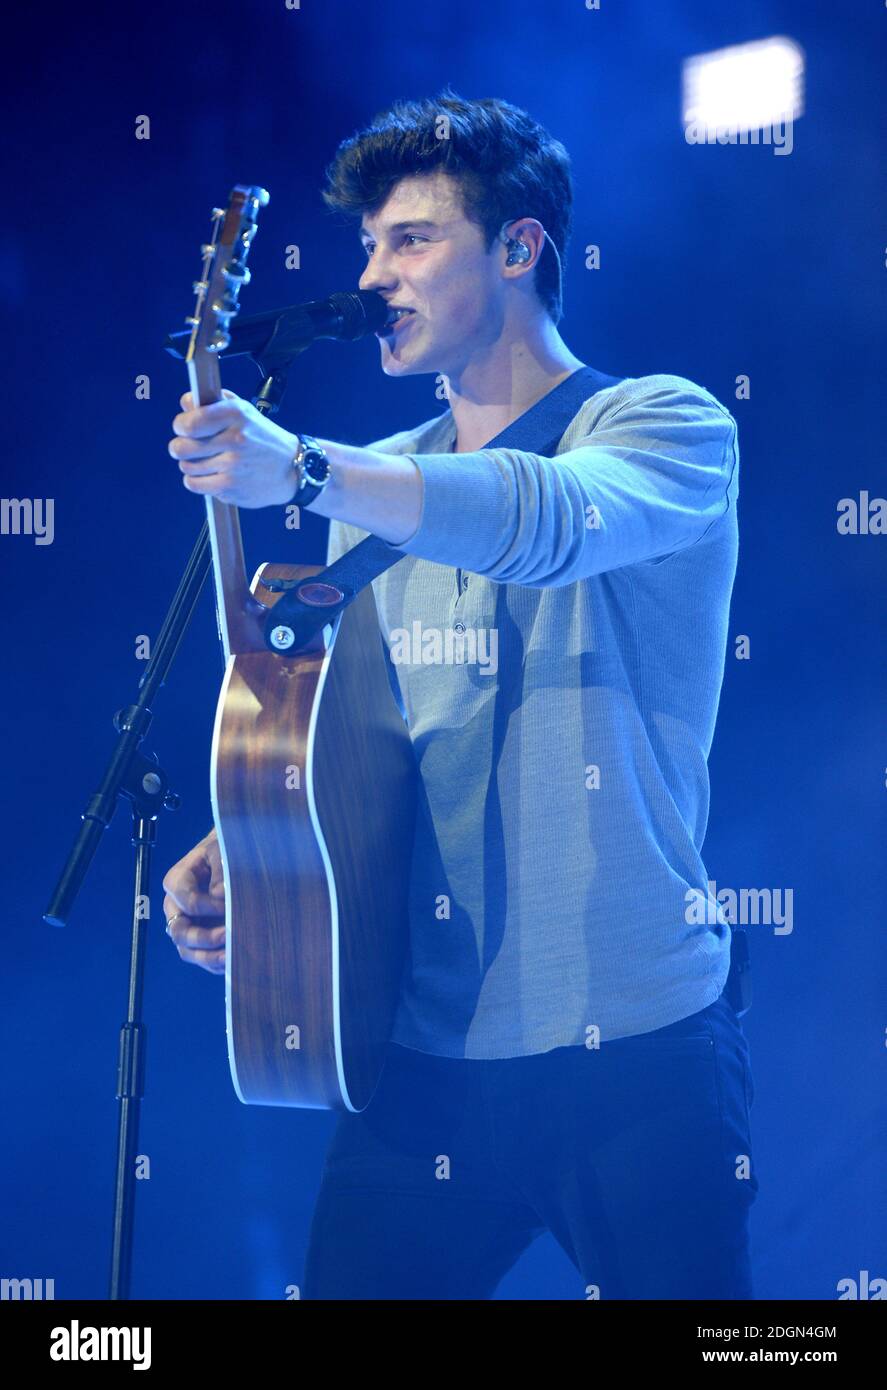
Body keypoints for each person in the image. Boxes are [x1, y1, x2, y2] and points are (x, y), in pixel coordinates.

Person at [162, 90, 757, 1300]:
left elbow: (537, 519)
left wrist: (313, 468)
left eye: (412, 239)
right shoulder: (376, 497)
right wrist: (254, 834)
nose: (376, 273)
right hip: (420, 1060)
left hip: (636, 1055)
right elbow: (360, 757)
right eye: (367, 246)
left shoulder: (662, 425)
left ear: (519, 247)